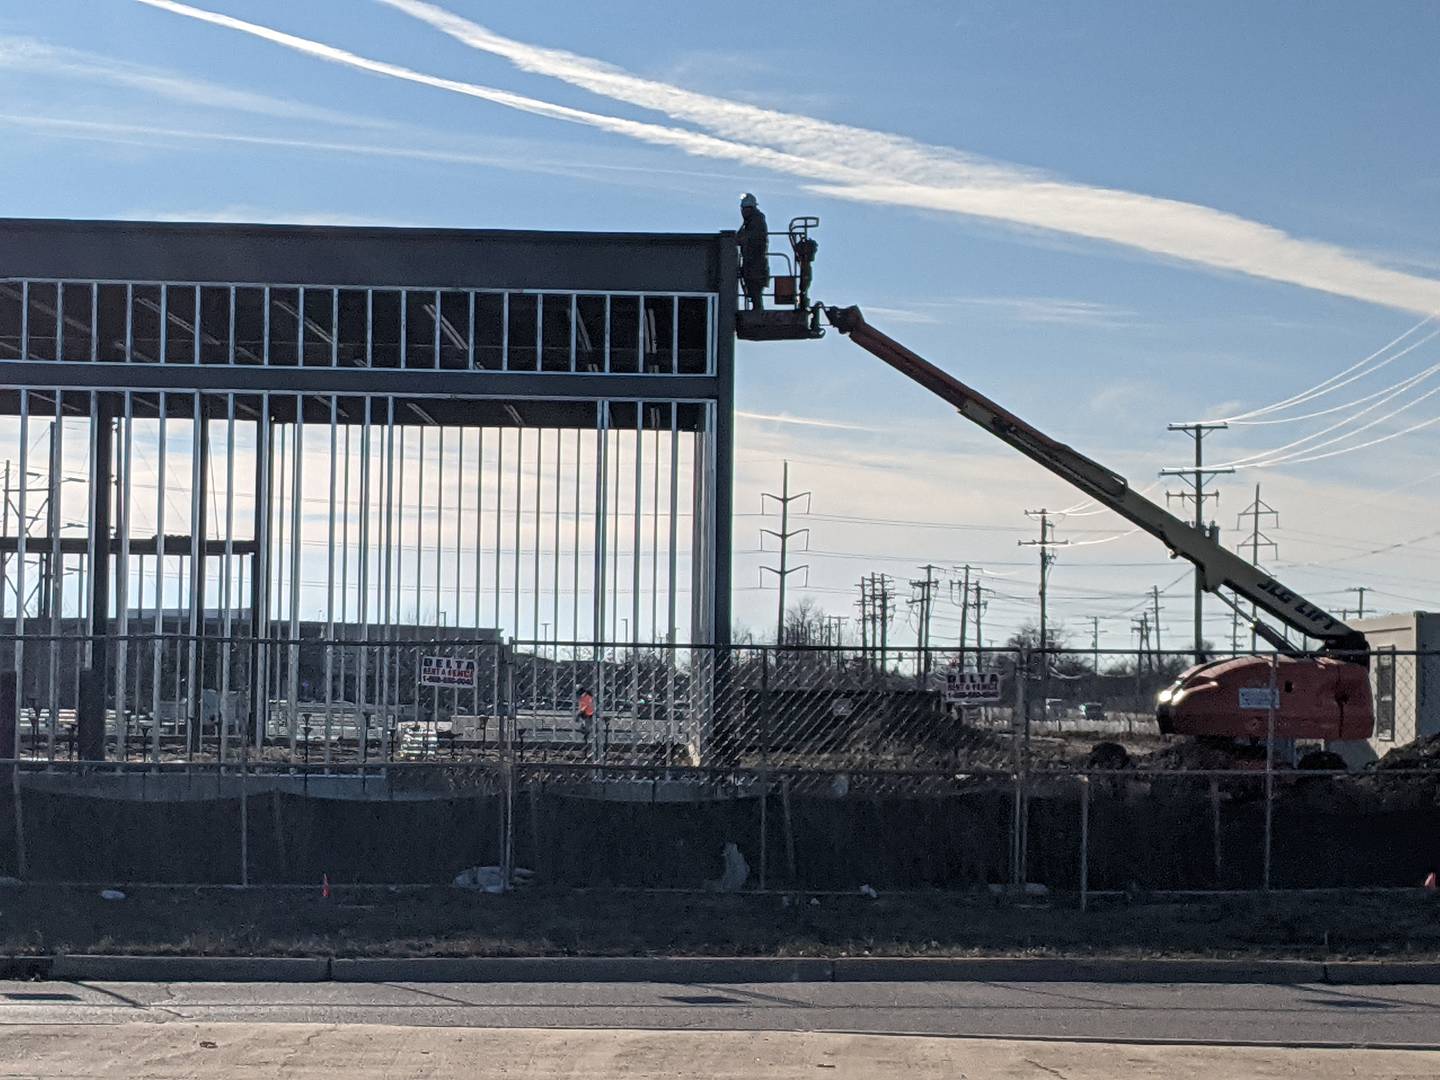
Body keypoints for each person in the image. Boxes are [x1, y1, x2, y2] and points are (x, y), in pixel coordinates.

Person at [736, 193, 770, 310]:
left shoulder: (756, 221)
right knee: (753, 289)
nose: (743, 212)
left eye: (745, 209)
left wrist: (738, 239)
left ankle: (757, 310)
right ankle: (757, 308)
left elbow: (750, 237)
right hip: (752, 263)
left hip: (756, 264)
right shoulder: (749, 222)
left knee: (755, 289)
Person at [576, 687, 595, 757]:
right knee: (586, 734)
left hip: (588, 717)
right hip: (587, 717)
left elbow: (584, 708)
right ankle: (586, 751)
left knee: (587, 734)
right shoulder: (587, 697)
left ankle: (587, 752)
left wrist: (578, 715)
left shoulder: (585, 697)